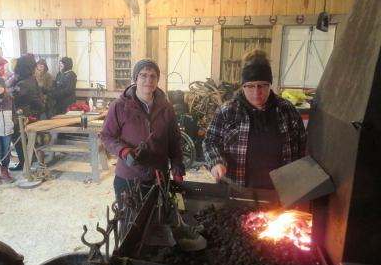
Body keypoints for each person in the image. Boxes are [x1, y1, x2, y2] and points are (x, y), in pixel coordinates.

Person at [203, 49, 306, 190]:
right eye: (250, 86)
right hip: (237, 192)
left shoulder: (287, 111)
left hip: (279, 194)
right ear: (243, 86)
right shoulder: (228, 111)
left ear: (270, 85)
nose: (257, 92)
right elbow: (210, 141)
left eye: (262, 85)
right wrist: (216, 162)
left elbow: (302, 148)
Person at [101, 59, 185, 209]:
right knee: (129, 224)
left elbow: (174, 140)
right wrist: (124, 151)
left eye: (153, 76)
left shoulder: (167, 108)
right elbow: (107, 136)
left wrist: (177, 167)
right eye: (143, 75)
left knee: (157, 223)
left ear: (158, 80)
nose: (148, 80)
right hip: (129, 178)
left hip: (159, 177)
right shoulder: (120, 106)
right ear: (135, 79)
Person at [9, 55, 44, 171]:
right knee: (23, 139)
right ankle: (28, 159)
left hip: (22, 115)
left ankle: (24, 163)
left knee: (19, 140)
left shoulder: (24, 83)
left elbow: (13, 97)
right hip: (29, 113)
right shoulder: (31, 78)